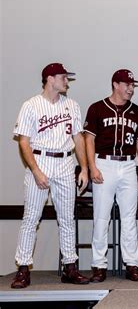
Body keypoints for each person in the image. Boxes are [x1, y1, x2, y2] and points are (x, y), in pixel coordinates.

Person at [11, 63, 90, 288]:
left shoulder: (72, 105)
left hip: (65, 161)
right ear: (50, 79)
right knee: (31, 218)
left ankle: (70, 267)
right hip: (40, 159)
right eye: (63, 77)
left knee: (67, 218)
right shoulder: (31, 105)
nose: (67, 81)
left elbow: (78, 138)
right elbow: (24, 141)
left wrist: (83, 167)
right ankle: (23, 269)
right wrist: (36, 170)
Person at [84, 69, 138, 282]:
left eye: (133, 85)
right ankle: (99, 265)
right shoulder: (97, 108)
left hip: (129, 166)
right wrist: (92, 166)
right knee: (102, 217)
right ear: (115, 84)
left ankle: (132, 264)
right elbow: (89, 140)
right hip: (104, 163)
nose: (131, 88)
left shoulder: (137, 111)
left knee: (129, 218)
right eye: (127, 84)